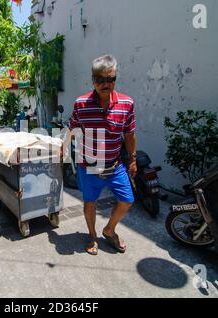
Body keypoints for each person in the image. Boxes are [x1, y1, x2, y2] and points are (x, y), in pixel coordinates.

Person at [68, 54, 137, 255]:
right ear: (93, 80)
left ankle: (109, 230)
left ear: (115, 79)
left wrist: (132, 159)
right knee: (90, 203)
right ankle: (92, 236)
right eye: (100, 79)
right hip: (88, 166)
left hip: (115, 166)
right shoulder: (81, 103)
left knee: (127, 200)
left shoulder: (126, 103)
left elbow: (130, 135)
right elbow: (72, 130)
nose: (105, 84)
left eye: (110, 79)